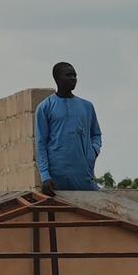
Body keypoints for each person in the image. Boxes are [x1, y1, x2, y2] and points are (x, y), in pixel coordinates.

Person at [34, 62, 102, 193]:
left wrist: (92, 152)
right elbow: (41, 143)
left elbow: (96, 135)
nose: (73, 78)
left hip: (83, 174)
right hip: (56, 177)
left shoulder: (87, 106)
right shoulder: (45, 107)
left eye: (75, 75)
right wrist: (45, 176)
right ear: (57, 79)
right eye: (68, 75)